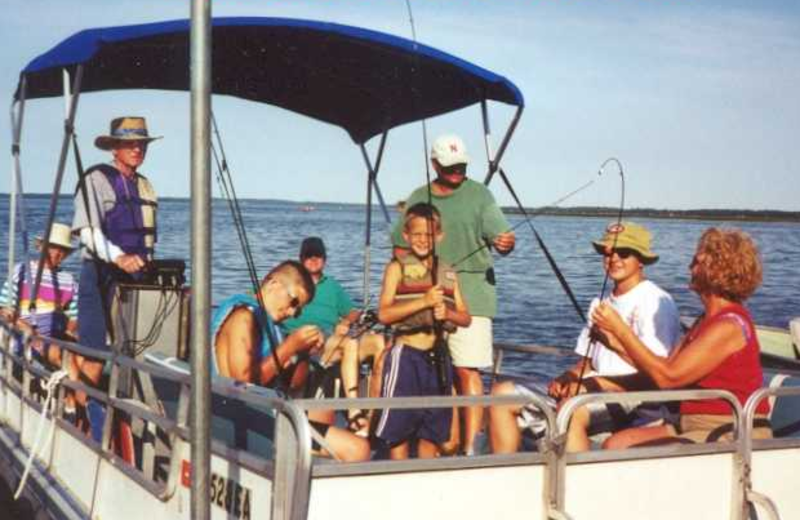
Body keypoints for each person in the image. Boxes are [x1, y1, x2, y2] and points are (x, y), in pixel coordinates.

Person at [489, 221, 681, 453]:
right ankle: (507, 475)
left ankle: (575, 484)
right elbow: (589, 362)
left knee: (571, 410)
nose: (613, 258)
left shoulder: (655, 301)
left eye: (624, 252)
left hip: (637, 398)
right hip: (594, 389)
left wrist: (594, 383)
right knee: (502, 394)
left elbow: (656, 375)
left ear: (642, 260)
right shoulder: (600, 302)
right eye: (607, 252)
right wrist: (567, 377)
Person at [391, 134, 515, 455]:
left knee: (466, 370)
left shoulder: (480, 195)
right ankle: (446, 442)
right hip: (427, 295)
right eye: (450, 166)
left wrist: (505, 243)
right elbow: (399, 247)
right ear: (434, 165)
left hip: (472, 294)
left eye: (461, 165)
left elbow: (503, 238)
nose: (458, 171)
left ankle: (471, 448)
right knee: (432, 371)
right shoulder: (420, 195)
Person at [594, 228, 772, 448]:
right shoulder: (705, 321)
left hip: (731, 428)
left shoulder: (730, 325)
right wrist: (613, 344)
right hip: (690, 423)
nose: (689, 268)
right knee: (615, 444)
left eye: (696, 262)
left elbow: (668, 378)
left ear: (717, 270)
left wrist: (621, 329)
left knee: (625, 451)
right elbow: (664, 368)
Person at [212, 260, 370, 462]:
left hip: (266, 413)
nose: (294, 312)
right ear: (273, 284)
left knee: (324, 410)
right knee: (359, 449)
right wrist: (290, 347)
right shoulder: (244, 318)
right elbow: (243, 384)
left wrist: (302, 352)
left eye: (300, 309)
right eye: (294, 302)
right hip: (245, 422)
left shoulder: (269, 324)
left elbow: (295, 383)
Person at [71, 116, 161, 391]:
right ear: (114, 148)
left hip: (136, 278)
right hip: (100, 275)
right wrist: (119, 257)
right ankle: (80, 414)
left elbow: (148, 240)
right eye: (129, 144)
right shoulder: (96, 179)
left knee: (139, 349)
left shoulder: (145, 185)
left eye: (141, 144)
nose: (137, 149)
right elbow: (87, 231)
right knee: (95, 355)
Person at [376, 203, 472, 459]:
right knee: (398, 432)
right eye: (416, 234)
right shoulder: (396, 268)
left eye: (429, 234)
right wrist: (424, 302)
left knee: (433, 431)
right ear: (406, 236)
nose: (422, 240)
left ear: (439, 236)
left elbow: (465, 317)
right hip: (406, 356)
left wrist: (448, 314)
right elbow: (384, 314)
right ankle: (397, 478)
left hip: (438, 360)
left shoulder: (449, 272)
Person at [281, 237, 384, 435]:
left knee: (378, 341)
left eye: (317, 255)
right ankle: (354, 413)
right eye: (308, 256)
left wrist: (349, 321)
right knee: (350, 344)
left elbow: (351, 312)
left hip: (333, 339)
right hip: (307, 342)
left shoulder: (332, 286)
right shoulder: (291, 283)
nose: (313, 260)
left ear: (325, 259)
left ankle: (373, 415)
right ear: (300, 259)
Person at [0, 223, 79, 366]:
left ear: (66, 254)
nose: (55, 253)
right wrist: (26, 328)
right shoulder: (22, 271)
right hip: (23, 337)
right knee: (66, 359)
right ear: (41, 247)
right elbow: (4, 309)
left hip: (55, 338)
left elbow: (75, 316)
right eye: (52, 247)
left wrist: (69, 331)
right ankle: (77, 388)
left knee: (84, 359)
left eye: (62, 250)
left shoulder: (69, 280)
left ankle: (74, 387)